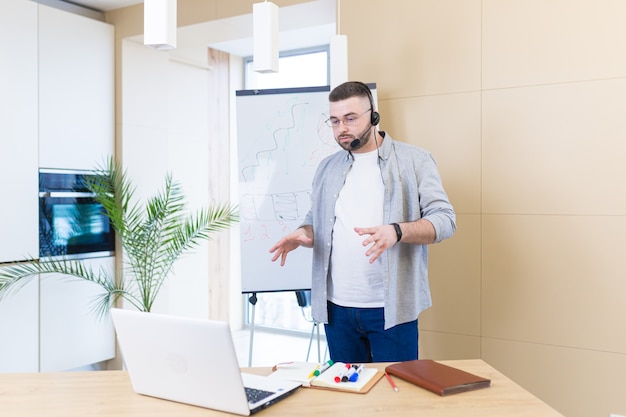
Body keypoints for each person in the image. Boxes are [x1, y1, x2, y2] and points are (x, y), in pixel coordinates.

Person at [269, 81, 456, 363]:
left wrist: (396, 231)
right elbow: (314, 219)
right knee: (347, 401)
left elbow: (445, 220)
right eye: (334, 121)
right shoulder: (327, 167)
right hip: (337, 310)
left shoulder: (414, 160)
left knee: (396, 399)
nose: (342, 128)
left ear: (373, 115)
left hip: (391, 310)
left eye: (350, 119)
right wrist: (303, 233)